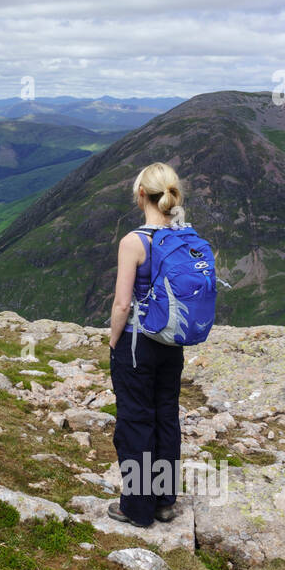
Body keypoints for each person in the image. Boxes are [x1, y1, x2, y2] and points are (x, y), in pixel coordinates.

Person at [106, 162, 186, 528]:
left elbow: (123, 303)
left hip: (139, 344)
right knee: (166, 416)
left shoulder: (134, 241)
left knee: (137, 421)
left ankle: (137, 508)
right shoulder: (184, 237)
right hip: (173, 343)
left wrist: (113, 340)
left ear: (142, 195)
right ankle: (164, 502)